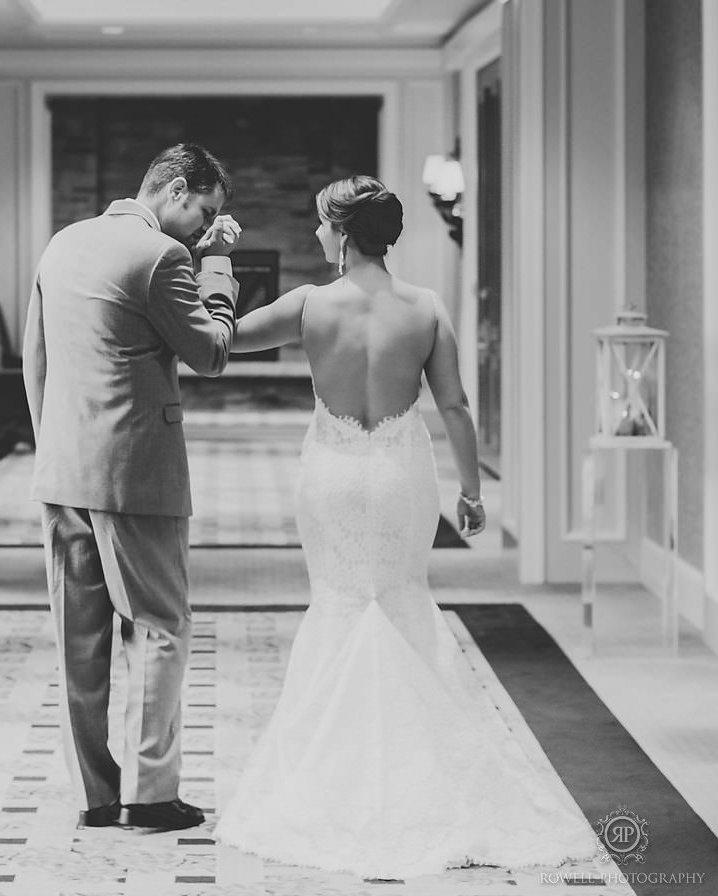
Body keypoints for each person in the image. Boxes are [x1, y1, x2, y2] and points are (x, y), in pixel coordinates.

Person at [213, 175, 599, 877]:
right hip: (399, 476)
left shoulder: (307, 305)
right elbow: (453, 407)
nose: (316, 236)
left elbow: (223, 343)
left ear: (345, 232)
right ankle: (421, 767)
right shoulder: (424, 307)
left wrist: (213, 267)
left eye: (322, 226)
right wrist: (474, 492)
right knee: (399, 601)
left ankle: (332, 770)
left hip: (330, 475)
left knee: (337, 602)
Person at [22, 143, 242, 832]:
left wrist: (53, 446)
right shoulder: (162, 257)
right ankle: (150, 794)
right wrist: (220, 268)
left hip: (61, 470)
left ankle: (95, 793)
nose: (202, 228)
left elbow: (37, 361)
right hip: (136, 474)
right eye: (203, 213)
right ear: (175, 189)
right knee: (159, 627)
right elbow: (209, 352)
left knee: (77, 640)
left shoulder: (63, 244)